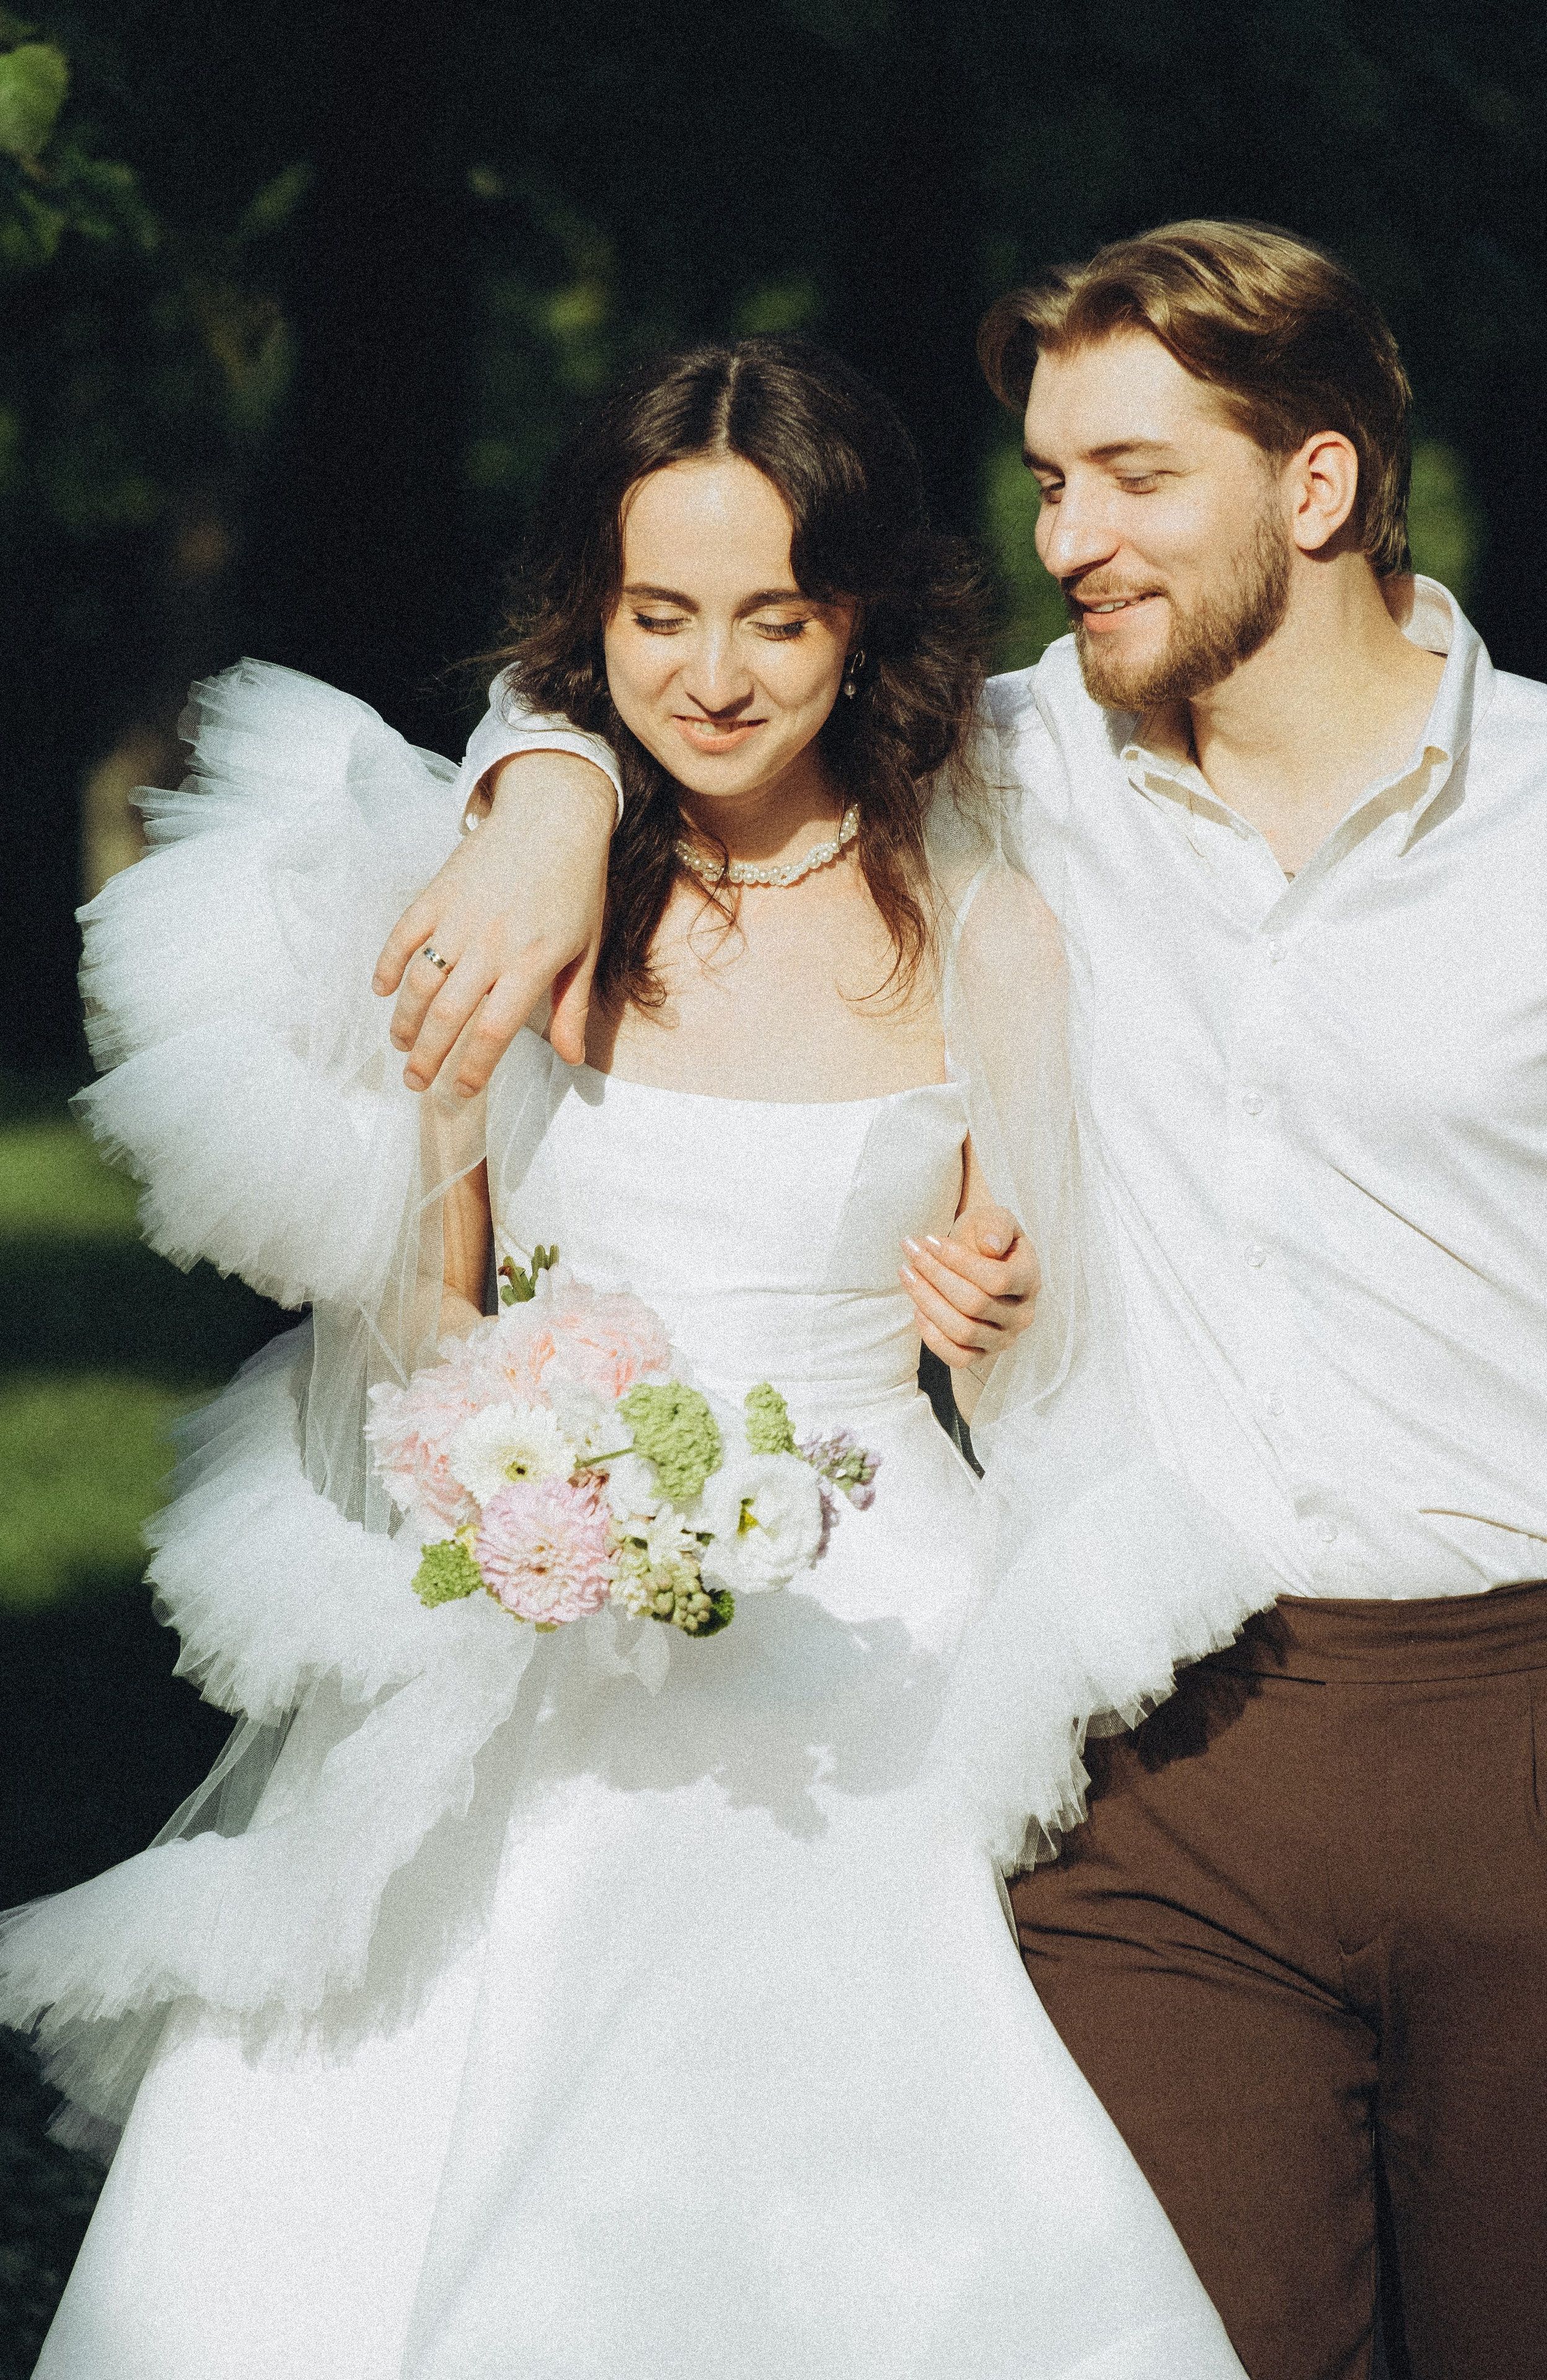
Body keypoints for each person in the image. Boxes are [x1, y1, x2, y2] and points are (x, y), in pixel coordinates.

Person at [0, 336, 1266, 2378]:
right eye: (660, 615)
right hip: (544, 1606)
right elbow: (426, 1310)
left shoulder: (982, 917)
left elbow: (1036, 1318)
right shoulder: (514, 898)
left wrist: (995, 1305)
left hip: (874, 1619)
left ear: (864, 618)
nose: (714, 675)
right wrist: (519, 1448)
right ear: (593, 615)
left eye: (779, 617)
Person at [383, 225, 1547, 2380]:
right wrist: (540, 800)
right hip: (1155, 1757)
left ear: (1315, 485)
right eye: (1046, 484)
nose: (1068, 542)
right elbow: (692, 656)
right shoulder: (1019, 759)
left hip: (1512, 1718)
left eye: (1132, 479)